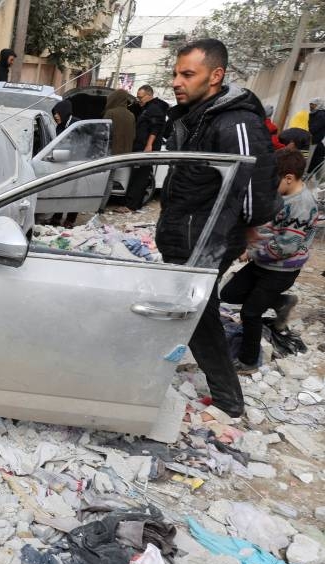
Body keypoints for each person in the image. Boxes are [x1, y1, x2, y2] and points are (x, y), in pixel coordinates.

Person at [157, 38, 278, 423]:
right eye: (176, 74)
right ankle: (166, 367)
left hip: (209, 238)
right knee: (191, 309)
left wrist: (249, 226)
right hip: (189, 233)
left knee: (197, 312)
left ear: (215, 76)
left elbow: (252, 178)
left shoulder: (235, 121)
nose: (177, 82)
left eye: (187, 74)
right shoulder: (198, 116)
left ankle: (228, 399)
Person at [221, 149, 318, 373]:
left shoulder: (302, 205)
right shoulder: (282, 195)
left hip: (281, 270)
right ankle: (280, 302)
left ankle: (248, 361)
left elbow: (286, 247)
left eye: (273, 181)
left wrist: (251, 253)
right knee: (229, 293)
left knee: (250, 313)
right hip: (263, 262)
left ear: (289, 178)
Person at [124, 85, 170, 212]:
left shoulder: (154, 109)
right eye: (137, 97)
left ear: (149, 95)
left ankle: (131, 206)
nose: (139, 100)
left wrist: (149, 145)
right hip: (141, 146)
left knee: (140, 176)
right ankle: (134, 204)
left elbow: (155, 129)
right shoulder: (147, 107)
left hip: (146, 148)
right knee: (140, 175)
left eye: (141, 97)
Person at [49, 101, 81, 228]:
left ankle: (70, 220)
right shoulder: (59, 126)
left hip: (77, 163)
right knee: (62, 190)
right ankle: (57, 217)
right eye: (54, 113)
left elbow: (83, 145)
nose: (55, 116)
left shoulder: (77, 125)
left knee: (75, 192)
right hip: (63, 163)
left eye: (57, 113)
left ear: (64, 112)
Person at [308, 97, 325, 173]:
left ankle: (304, 174)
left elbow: (313, 128)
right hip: (311, 141)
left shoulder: (321, 115)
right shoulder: (314, 113)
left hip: (313, 141)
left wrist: (307, 131)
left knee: (308, 158)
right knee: (307, 157)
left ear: (318, 105)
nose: (310, 106)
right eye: (310, 104)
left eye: (312, 104)